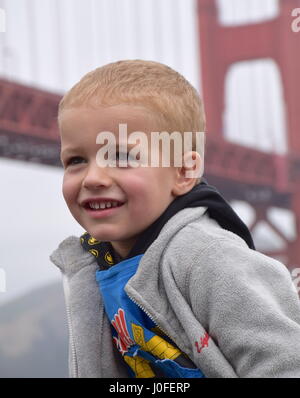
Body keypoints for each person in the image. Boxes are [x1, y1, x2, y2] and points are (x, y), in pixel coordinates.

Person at [51, 59, 300, 378]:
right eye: (76, 160)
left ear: (184, 173)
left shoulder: (211, 259)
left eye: (122, 156)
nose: (93, 178)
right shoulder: (91, 266)